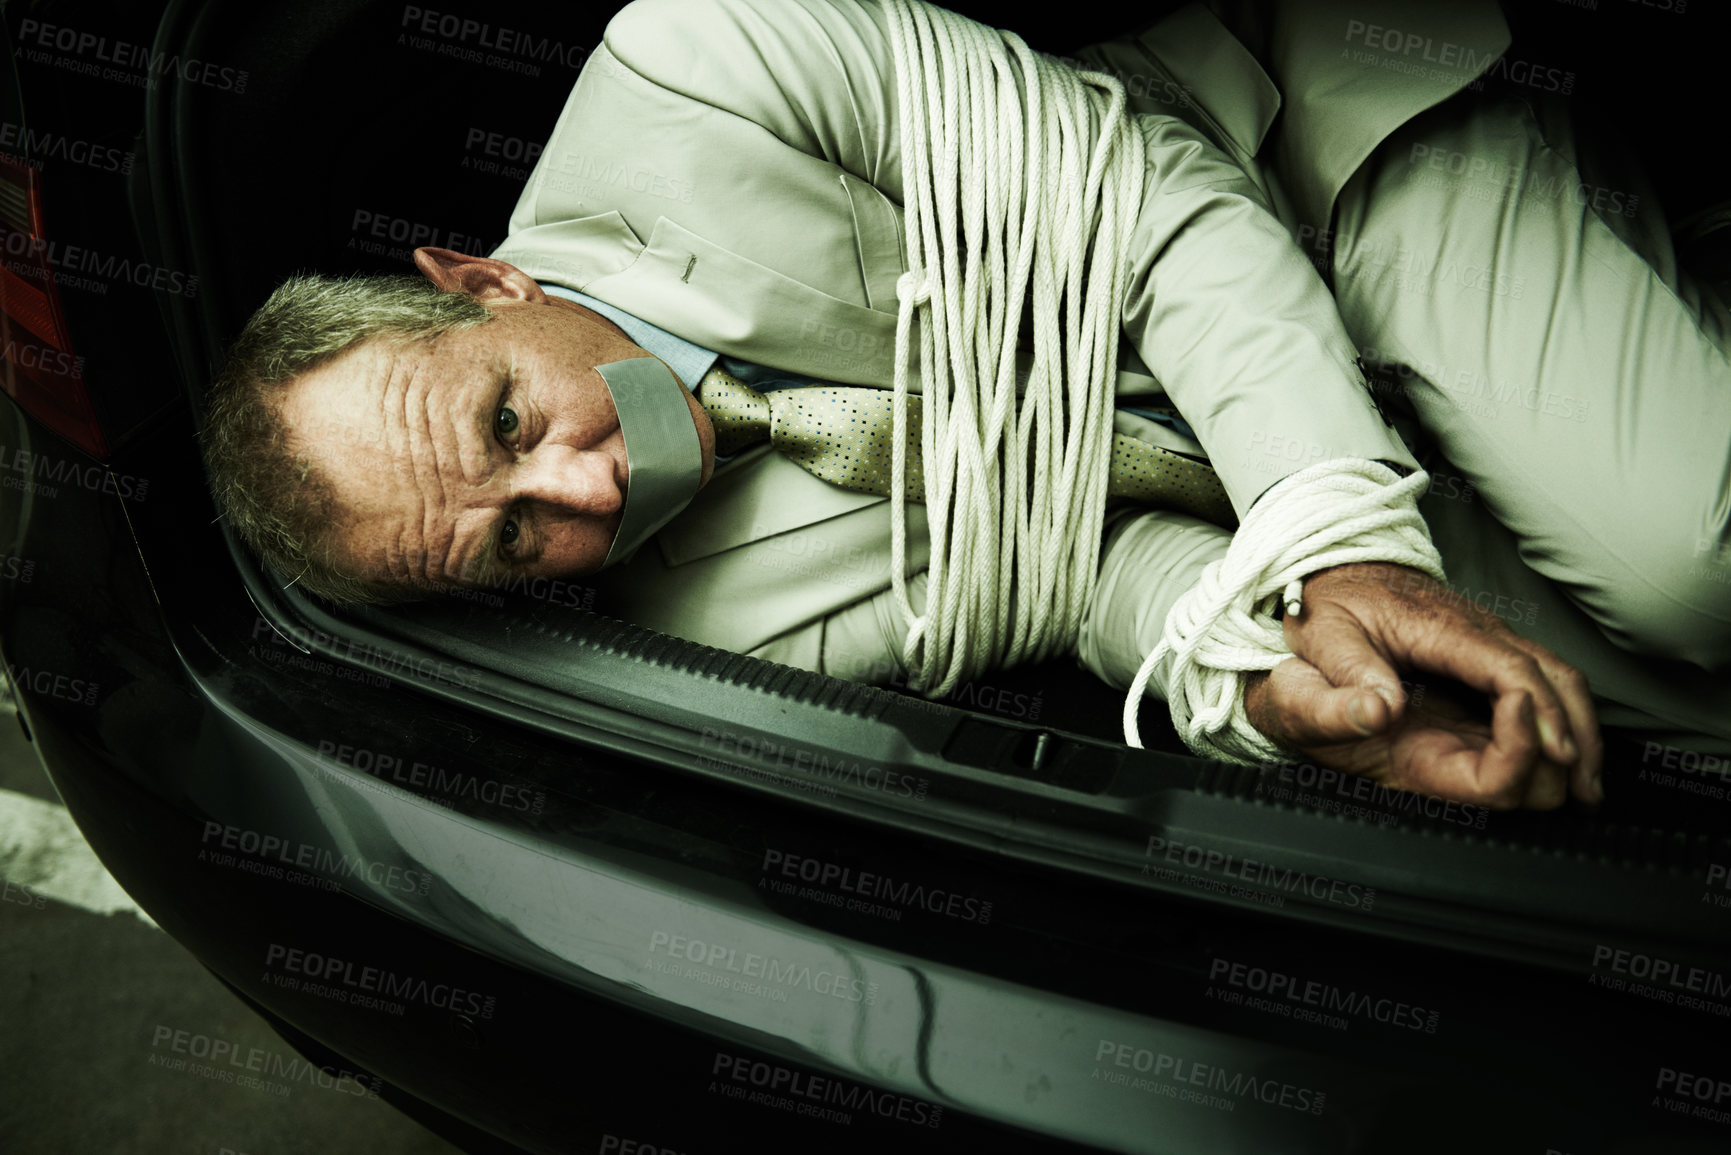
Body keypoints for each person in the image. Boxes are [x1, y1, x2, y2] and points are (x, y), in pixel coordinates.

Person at [201, 0, 1731, 810]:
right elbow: (1070, 575)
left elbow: (1152, 204)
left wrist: (1337, 545)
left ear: (482, 286)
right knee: (1604, 708)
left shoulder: (691, 65)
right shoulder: (708, 637)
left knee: (1686, 562)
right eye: (515, 549)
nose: (586, 498)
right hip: (1263, 484)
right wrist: (1267, 694)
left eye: (509, 429)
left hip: (1306, 170)